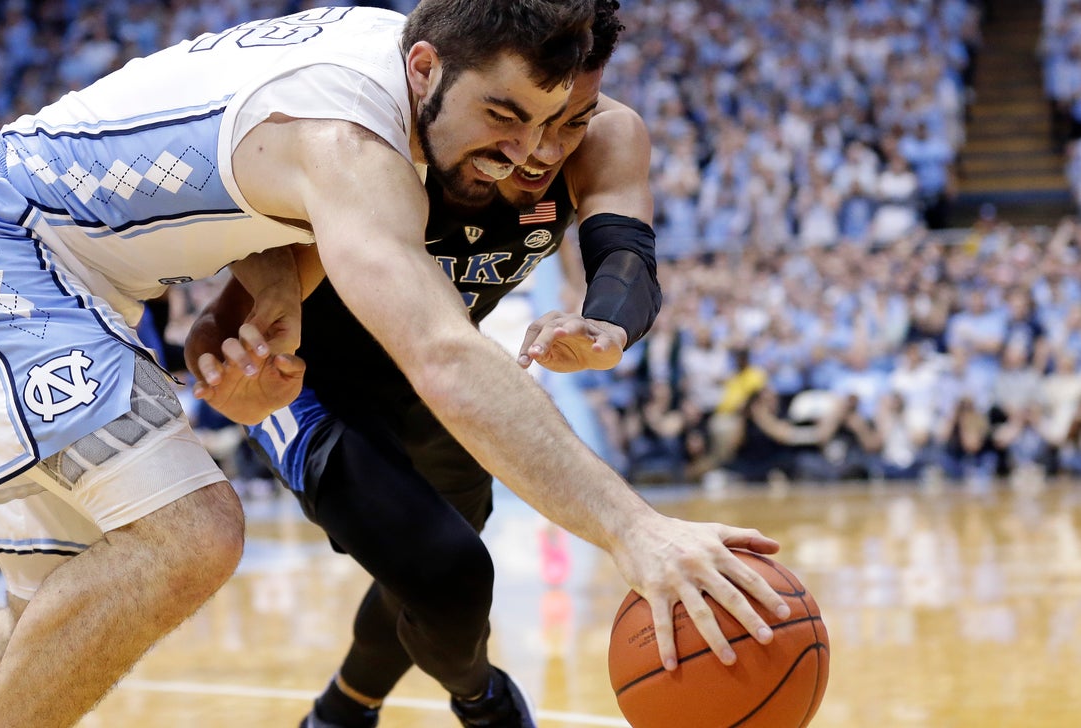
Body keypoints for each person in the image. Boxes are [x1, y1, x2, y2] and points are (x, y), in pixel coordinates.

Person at [0, 3, 787, 728]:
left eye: (558, 123)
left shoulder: (387, 84)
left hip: (83, 273)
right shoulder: (351, 138)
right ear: (430, 68)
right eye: (502, 116)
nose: (527, 156)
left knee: (49, 626)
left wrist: (250, 317)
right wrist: (635, 529)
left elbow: (251, 243)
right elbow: (441, 350)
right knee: (193, 531)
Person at [186, 3, 783, 726]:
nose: (542, 149)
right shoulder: (390, 134)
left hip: (442, 374)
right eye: (526, 116)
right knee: (448, 574)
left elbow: (628, 260)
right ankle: (484, 701)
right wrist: (229, 367)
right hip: (307, 381)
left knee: (440, 568)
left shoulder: (610, 136)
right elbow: (222, 322)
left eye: (571, 119)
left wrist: (605, 326)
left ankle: (342, 709)